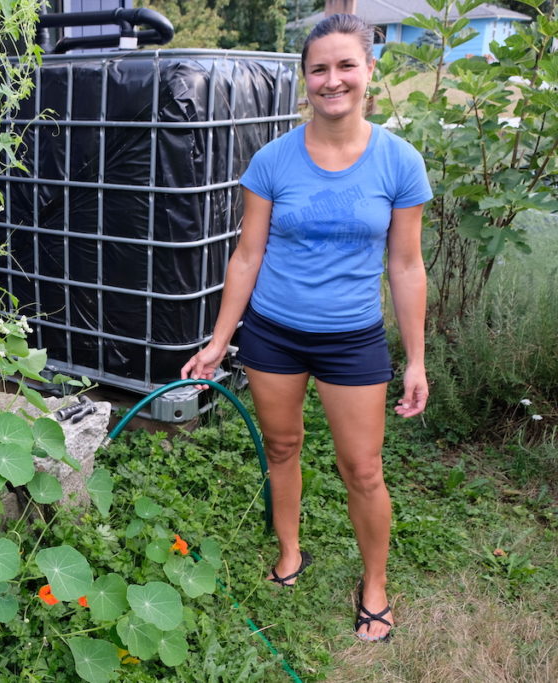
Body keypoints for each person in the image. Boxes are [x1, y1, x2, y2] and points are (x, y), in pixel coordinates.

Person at [180, 13, 432, 643]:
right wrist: (218, 342)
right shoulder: (272, 160)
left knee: (363, 469)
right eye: (319, 68)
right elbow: (247, 255)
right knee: (283, 448)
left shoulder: (399, 162)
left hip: (352, 339)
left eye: (346, 65)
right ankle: (291, 550)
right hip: (275, 334)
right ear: (304, 79)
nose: (332, 80)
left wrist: (416, 360)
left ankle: (374, 583)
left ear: (370, 70)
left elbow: (405, 265)